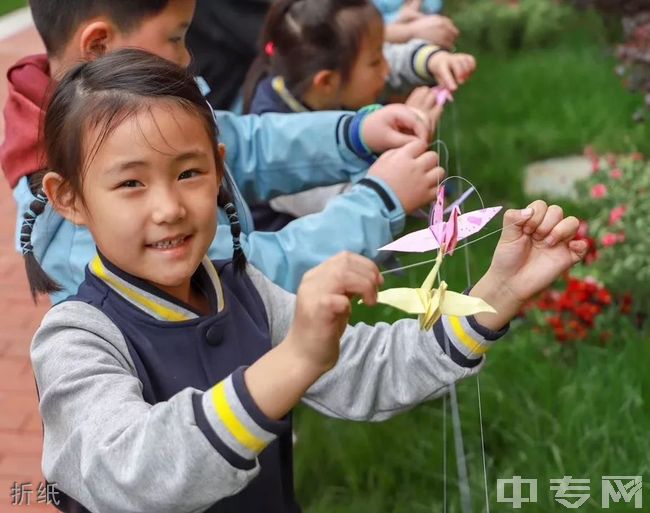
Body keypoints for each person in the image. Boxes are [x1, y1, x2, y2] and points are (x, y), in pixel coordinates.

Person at [29, 50, 587, 513]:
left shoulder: (245, 290)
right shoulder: (76, 339)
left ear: (220, 169)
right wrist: (294, 359)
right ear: (69, 199)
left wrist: (497, 294)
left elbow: (369, 369)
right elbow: (133, 469)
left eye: (189, 173)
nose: (170, 207)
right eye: (130, 183)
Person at [2, 0, 445, 302]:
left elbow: (243, 145)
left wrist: (354, 132)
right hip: (207, 414)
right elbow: (244, 279)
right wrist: (378, 201)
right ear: (99, 46)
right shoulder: (85, 215)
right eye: (176, 37)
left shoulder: (131, 110)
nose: (186, 56)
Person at [242, 0, 475, 229]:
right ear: (327, 81)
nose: (386, 68)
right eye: (375, 61)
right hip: (312, 258)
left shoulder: (311, 81)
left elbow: (390, 59)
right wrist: (402, 146)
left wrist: (433, 60)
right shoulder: (282, 156)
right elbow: (349, 206)